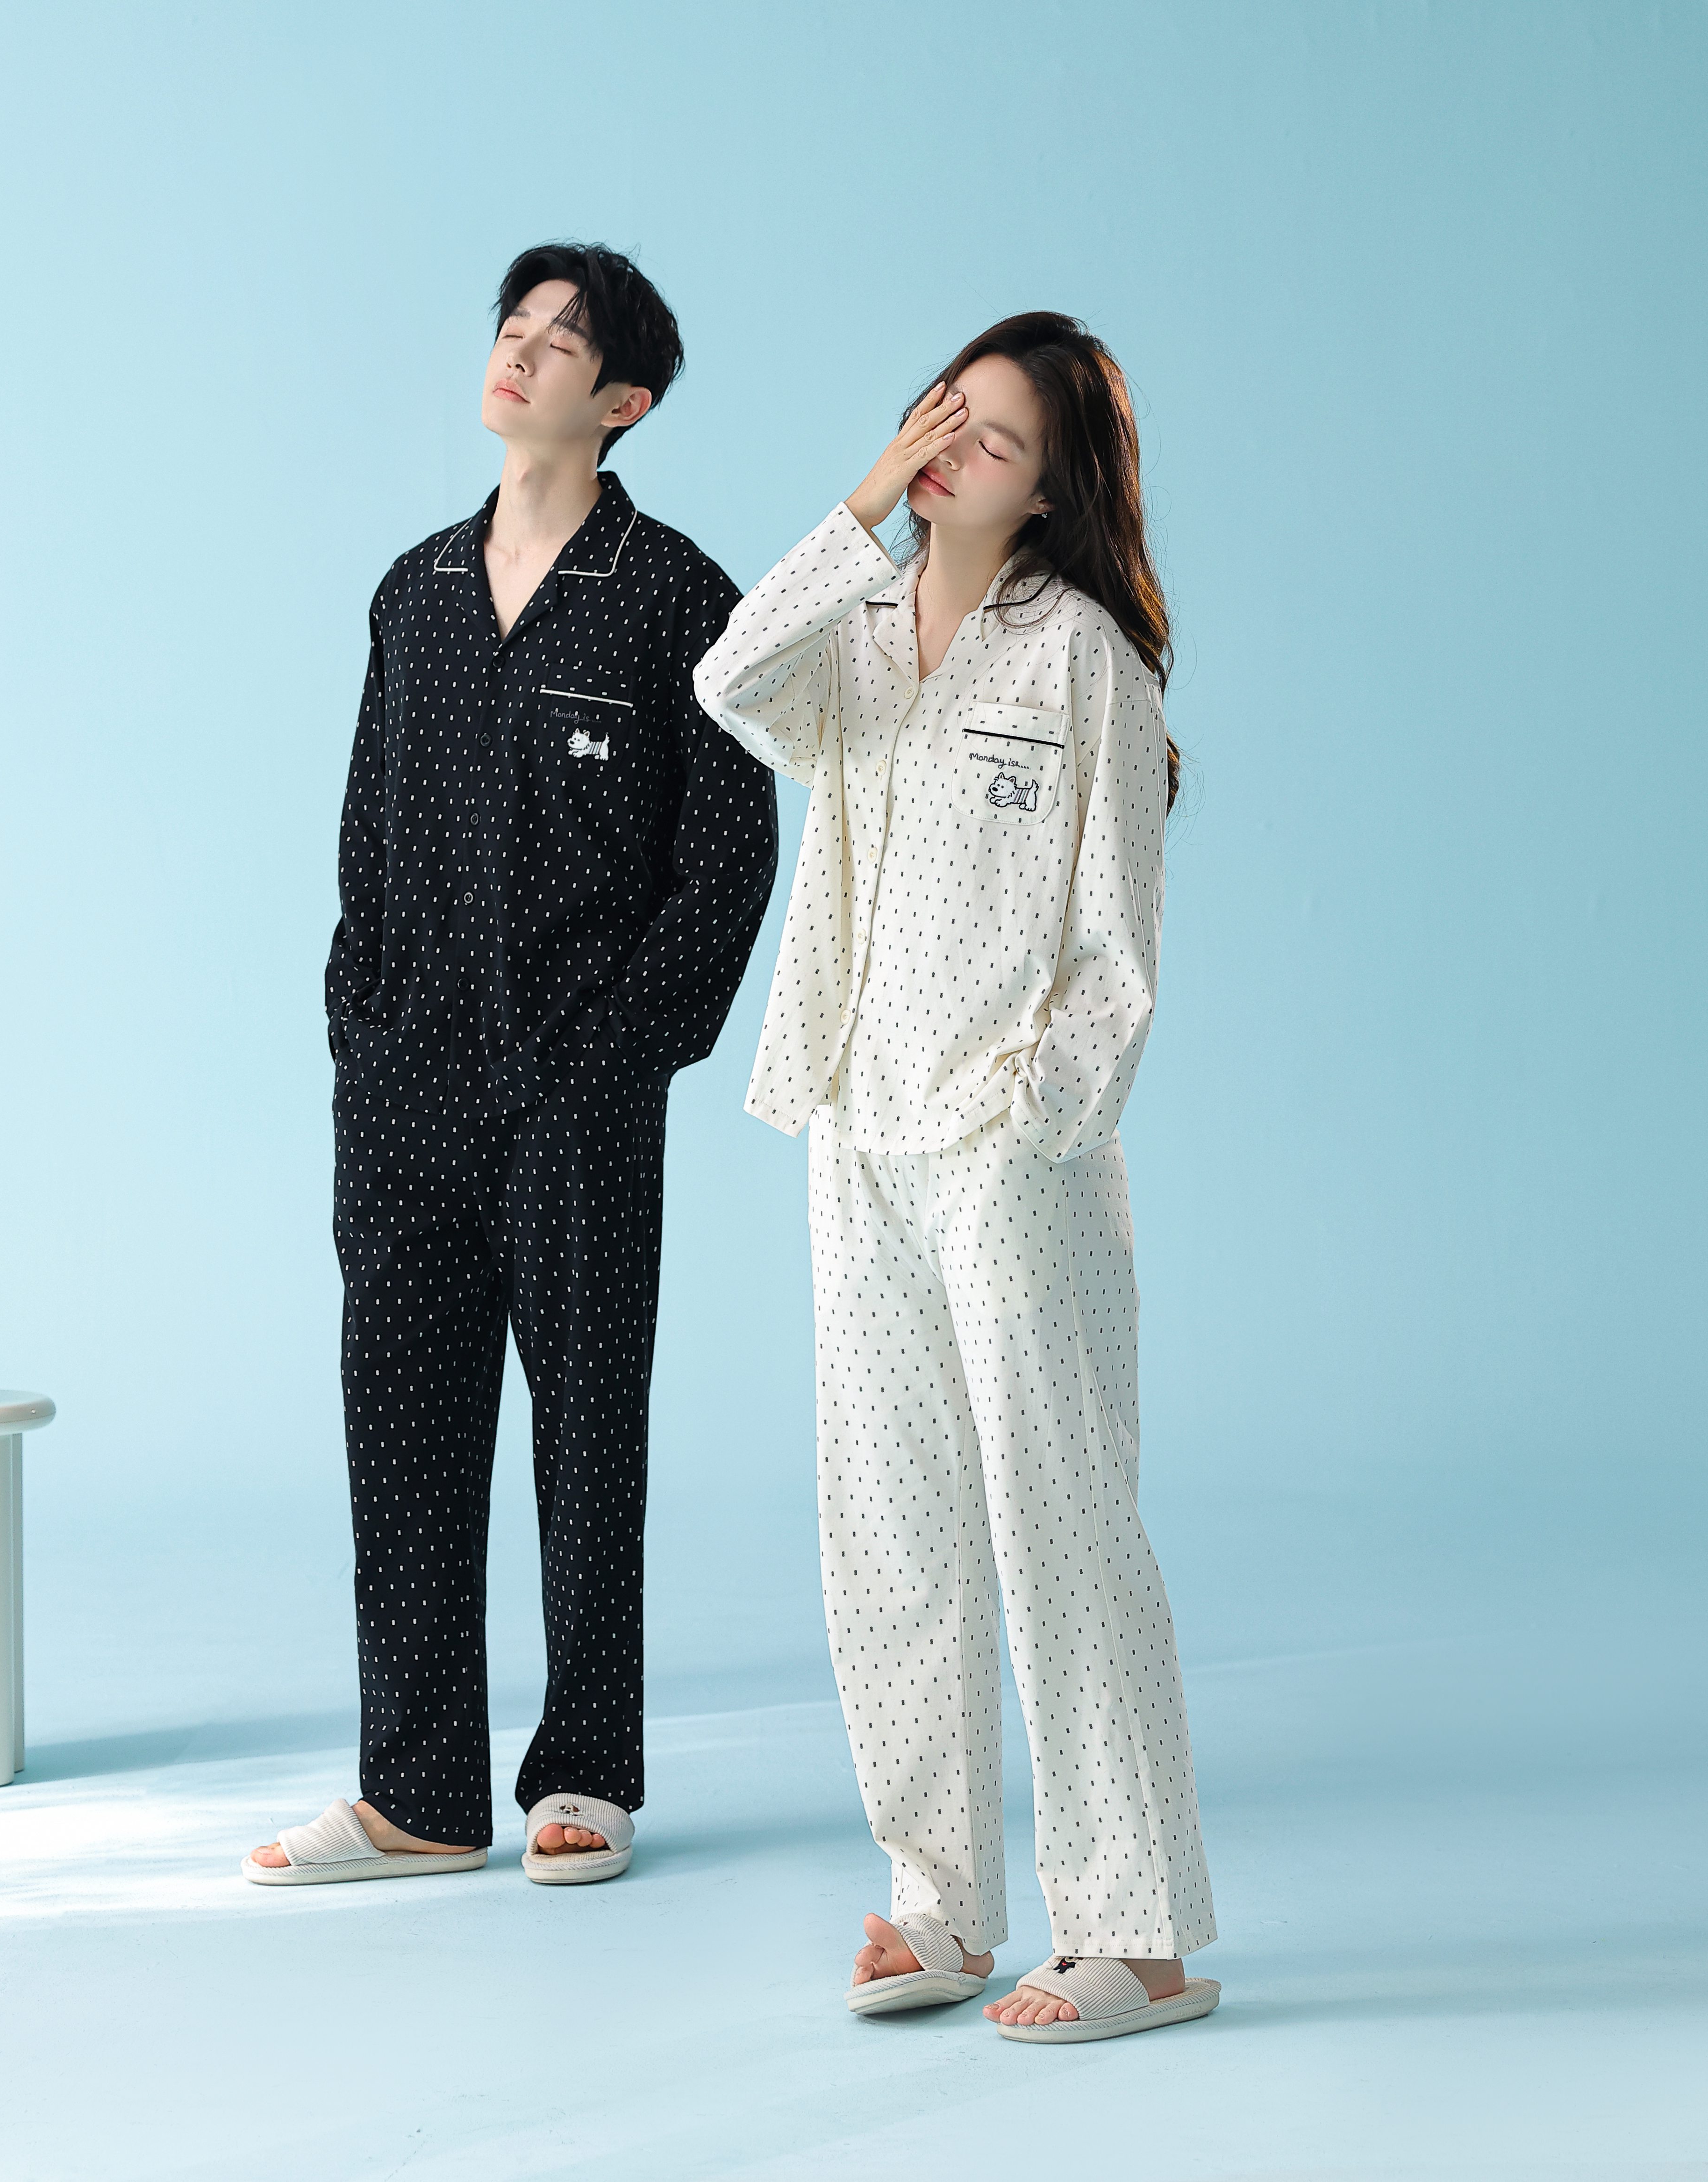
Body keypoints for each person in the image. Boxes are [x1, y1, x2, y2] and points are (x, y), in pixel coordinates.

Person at [693, 314, 1219, 2041]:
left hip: (1006, 1154)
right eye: (939, 416)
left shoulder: (1084, 659)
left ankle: (1136, 1933)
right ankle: (939, 1902)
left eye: (994, 437)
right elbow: (724, 680)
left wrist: (1032, 1115)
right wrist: (855, 506)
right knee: (890, 1528)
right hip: (855, 1129)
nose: (952, 452)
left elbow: (1114, 947)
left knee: (1058, 1523)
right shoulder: (851, 638)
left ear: (1053, 486)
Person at [245, 243, 777, 1890]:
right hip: (404, 1082)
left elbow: (728, 861)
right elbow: (363, 836)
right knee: (399, 1427)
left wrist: (620, 1056)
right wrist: (359, 1024)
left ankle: (586, 1772)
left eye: (563, 341)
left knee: (586, 1431)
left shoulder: (679, 598)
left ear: (624, 403)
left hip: (579, 1090)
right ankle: (414, 1793)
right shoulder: (413, 589)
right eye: (514, 326)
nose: (522, 353)